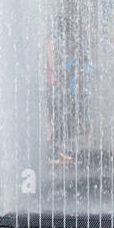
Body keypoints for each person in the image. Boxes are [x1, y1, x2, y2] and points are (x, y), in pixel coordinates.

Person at [45, 37, 73, 165]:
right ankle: (52, 152)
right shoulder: (50, 44)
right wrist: (61, 70)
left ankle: (57, 149)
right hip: (51, 86)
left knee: (59, 118)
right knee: (57, 118)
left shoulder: (52, 44)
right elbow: (53, 64)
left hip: (54, 85)